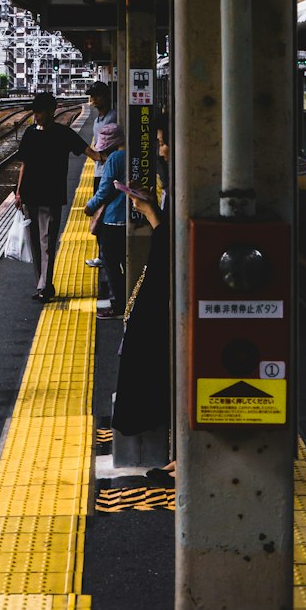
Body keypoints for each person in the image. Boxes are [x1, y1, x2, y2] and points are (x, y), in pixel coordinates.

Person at [111, 126, 173, 473]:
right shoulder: (178, 182)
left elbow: (172, 239)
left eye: (164, 144)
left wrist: (149, 212)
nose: (161, 151)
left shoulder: (188, 185)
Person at [15, 91, 100, 301]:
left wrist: (113, 156)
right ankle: (42, 284)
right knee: (35, 242)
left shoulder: (64, 134)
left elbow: (90, 152)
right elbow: (23, 164)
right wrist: (18, 192)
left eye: (40, 111)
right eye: (35, 111)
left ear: (52, 111)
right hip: (30, 196)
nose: (37, 116)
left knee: (47, 242)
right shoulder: (29, 134)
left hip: (51, 196)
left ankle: (46, 286)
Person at [83, 123, 127, 319]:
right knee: (126, 262)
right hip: (131, 218)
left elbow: (105, 190)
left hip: (114, 219)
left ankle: (118, 305)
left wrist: (90, 206)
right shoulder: (133, 155)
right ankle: (128, 301)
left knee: (111, 263)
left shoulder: (114, 159)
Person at [85, 81, 117, 274]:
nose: (94, 99)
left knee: (104, 213)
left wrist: (103, 156)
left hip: (108, 172)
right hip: (99, 171)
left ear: (106, 96)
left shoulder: (113, 117)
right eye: (92, 95)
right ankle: (102, 254)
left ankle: (106, 255)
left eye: (97, 95)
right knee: (99, 214)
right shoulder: (98, 120)